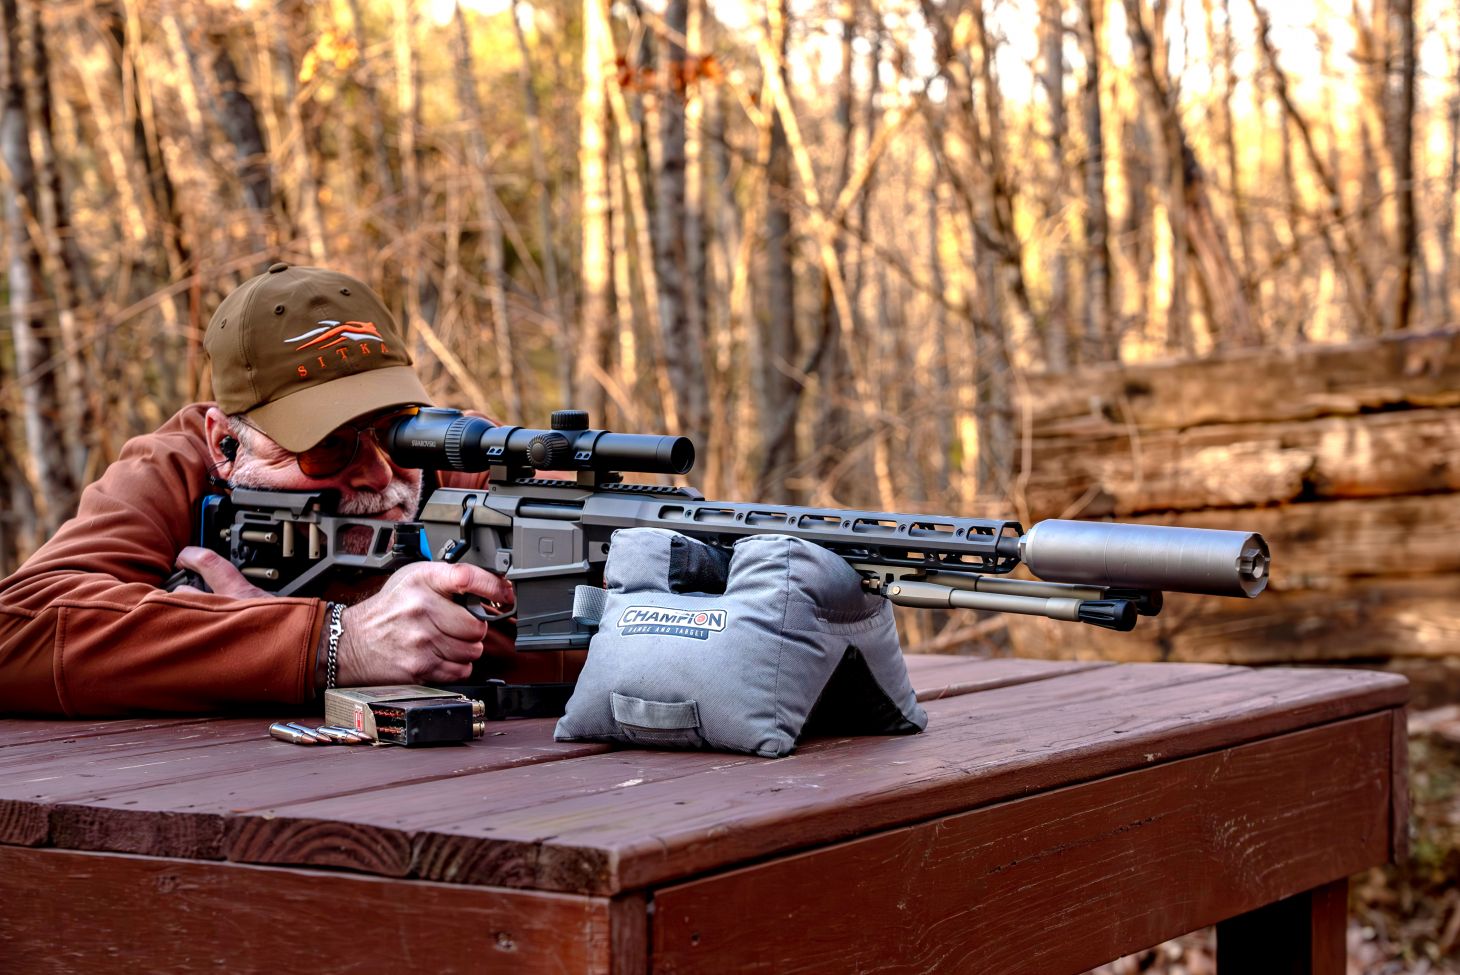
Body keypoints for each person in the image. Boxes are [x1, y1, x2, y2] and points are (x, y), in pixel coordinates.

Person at [0, 264, 579, 716]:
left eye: (392, 433)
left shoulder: (468, 464)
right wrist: (331, 643)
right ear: (226, 444)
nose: (378, 475)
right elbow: (16, 634)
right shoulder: (175, 470)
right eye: (328, 444)